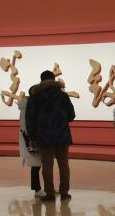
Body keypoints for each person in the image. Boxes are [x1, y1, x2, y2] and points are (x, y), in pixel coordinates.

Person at [25, 70, 76, 201]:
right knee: (63, 164)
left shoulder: (35, 96)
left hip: (44, 135)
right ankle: (64, 193)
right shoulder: (62, 95)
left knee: (47, 165)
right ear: (53, 80)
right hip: (62, 134)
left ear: (41, 80)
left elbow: (29, 118)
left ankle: (49, 194)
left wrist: (31, 137)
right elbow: (71, 115)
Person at [17, 95, 43, 197]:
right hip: (33, 139)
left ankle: (39, 188)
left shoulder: (25, 108)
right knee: (36, 165)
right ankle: (38, 188)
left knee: (36, 165)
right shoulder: (30, 109)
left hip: (29, 138)